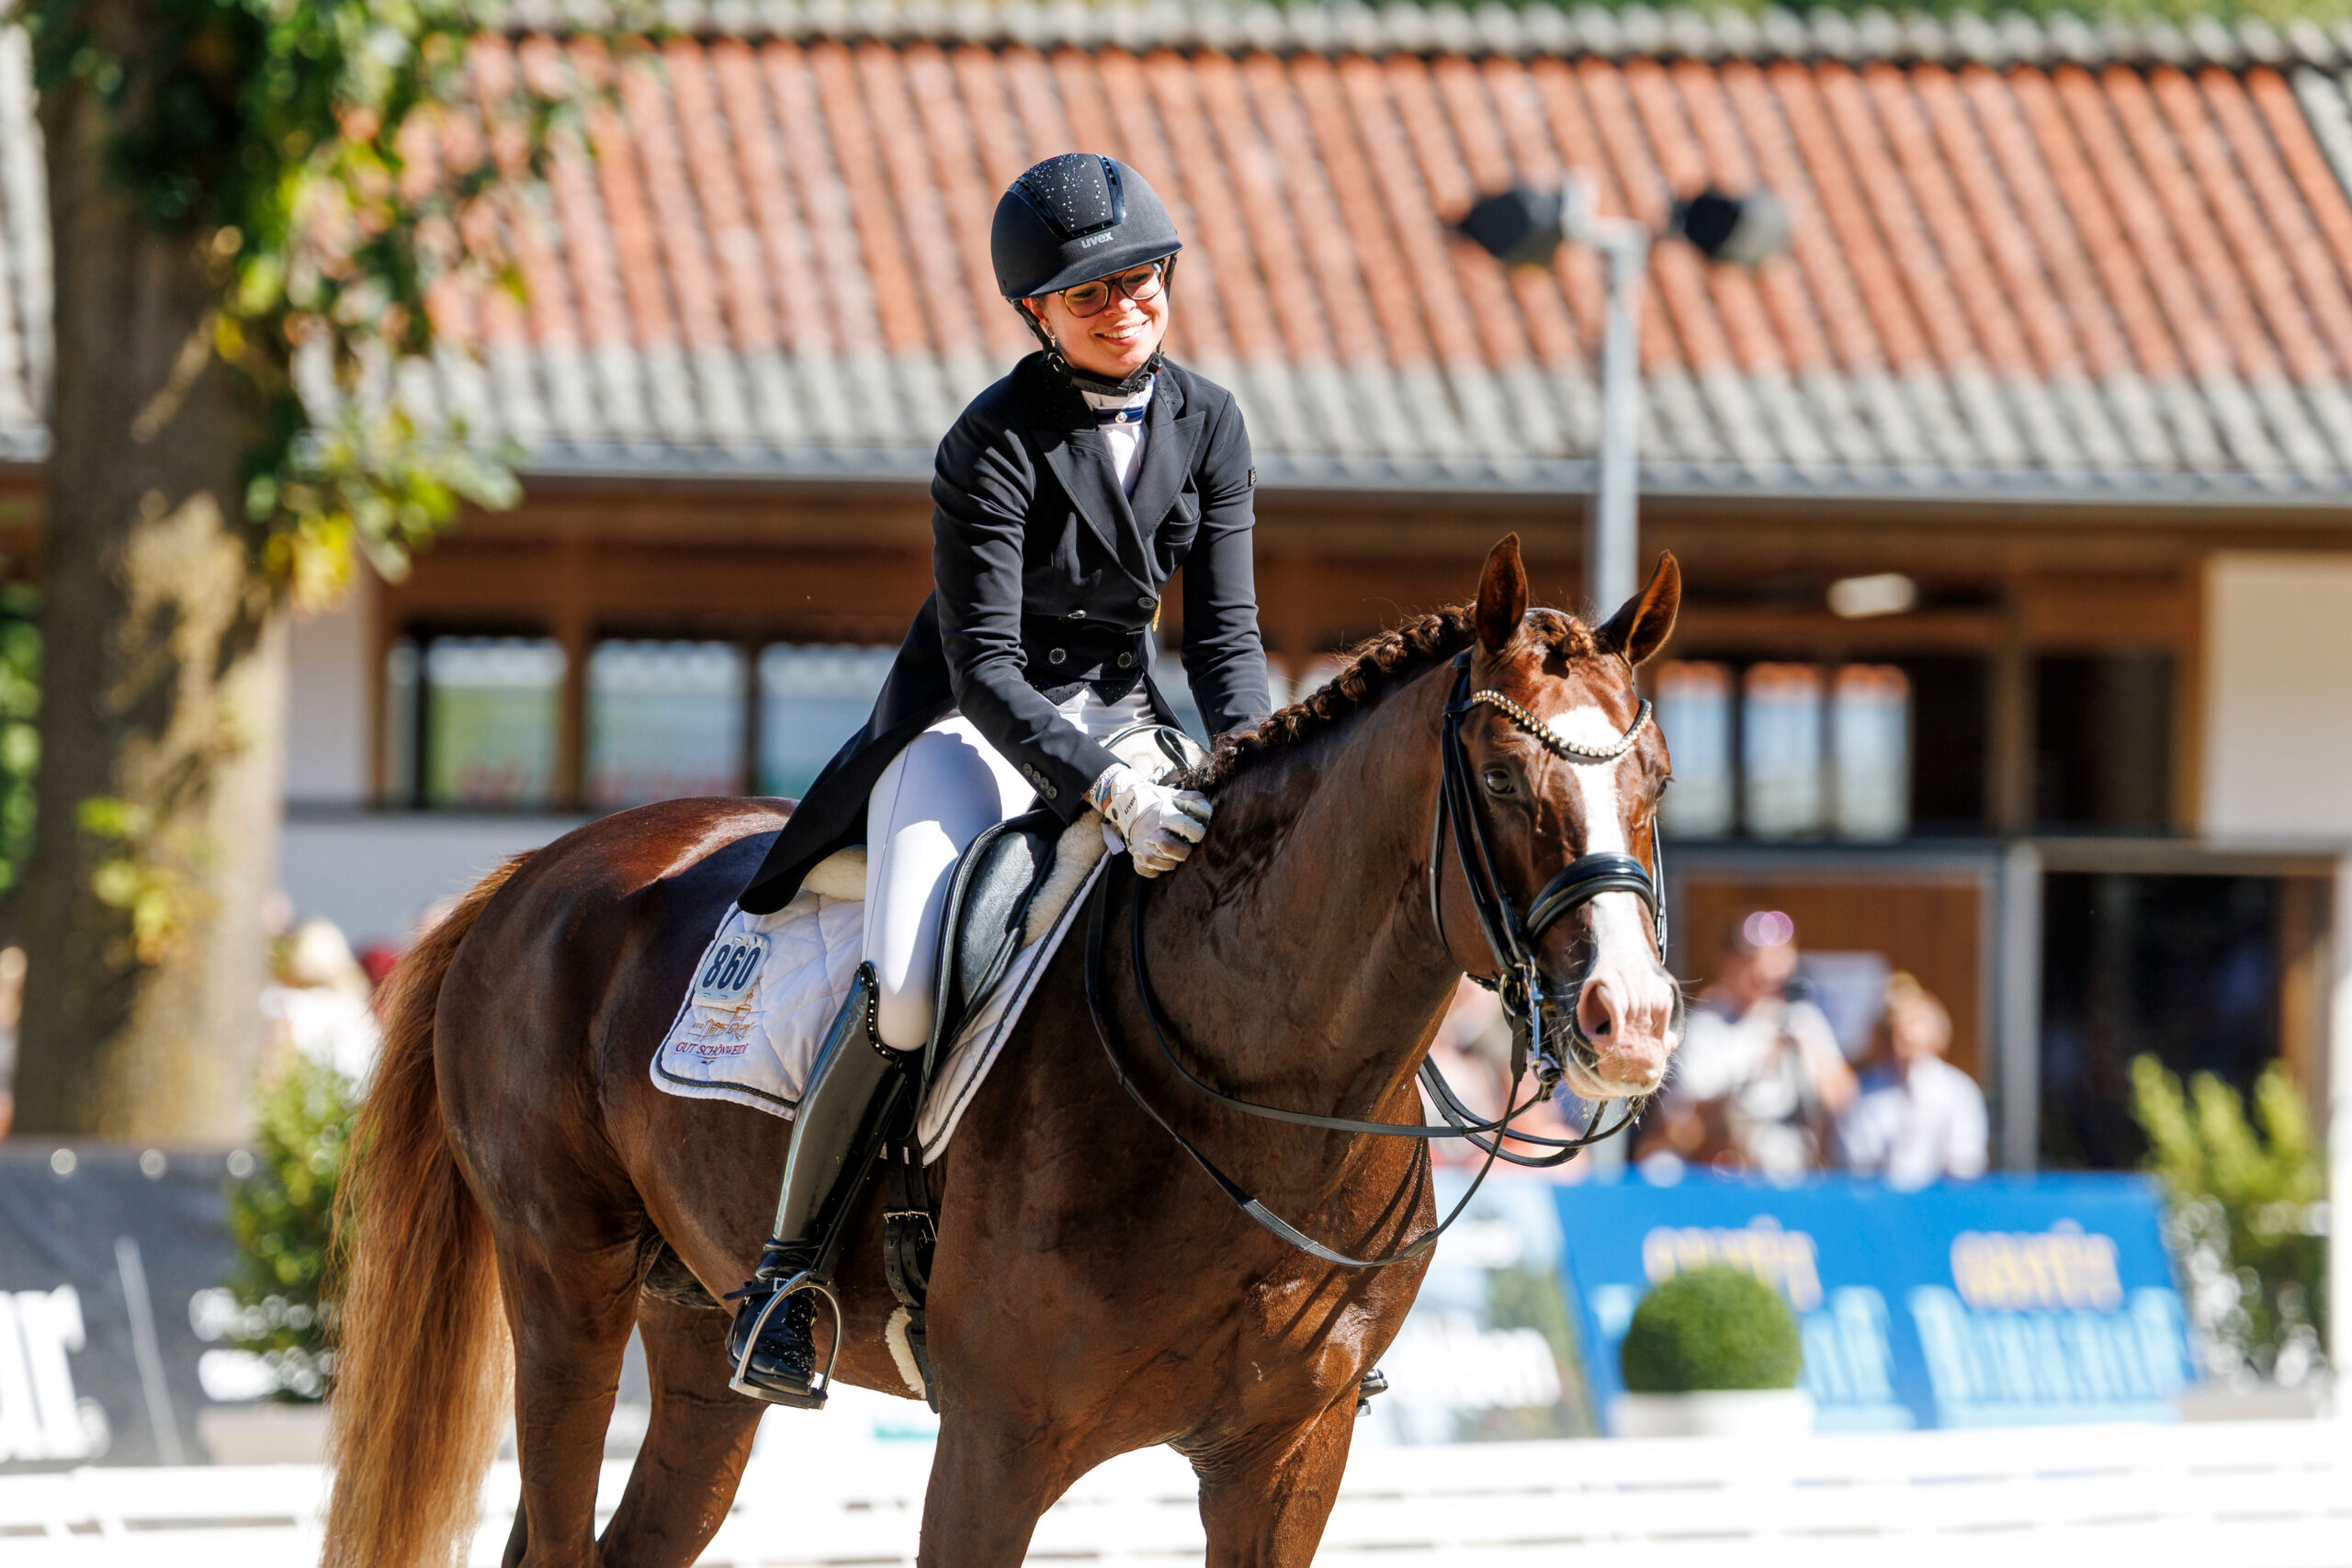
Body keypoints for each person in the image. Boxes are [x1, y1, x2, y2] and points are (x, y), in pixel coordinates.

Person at [720, 153, 1273, 1405]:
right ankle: (789, 1276)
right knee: (911, 983)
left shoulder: (1210, 422)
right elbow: (984, 668)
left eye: (1142, 282)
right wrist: (1103, 791)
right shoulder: (992, 438)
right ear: (1038, 313)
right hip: (972, 730)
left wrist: (1254, 769)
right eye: (1091, 297)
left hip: (1133, 716)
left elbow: (1227, 643)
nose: (1125, 308)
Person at [1640, 910, 1855, 1177]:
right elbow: (1681, 1121)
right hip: (1727, 1166)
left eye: (1774, 959)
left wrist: (1806, 1056)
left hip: (1794, 1160)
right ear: (1728, 964)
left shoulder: (1801, 1017)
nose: (1764, 970)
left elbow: (1843, 1097)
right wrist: (1754, 1067)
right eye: (1751, 960)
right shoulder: (1706, 1024)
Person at [1834, 974, 1988, 1187]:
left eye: (1915, 1021)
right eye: (1896, 1024)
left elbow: (1965, 1163)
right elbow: (1855, 1162)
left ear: (1938, 1032)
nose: (1905, 1032)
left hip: (1941, 1208)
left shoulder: (1958, 1091)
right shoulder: (1865, 1090)